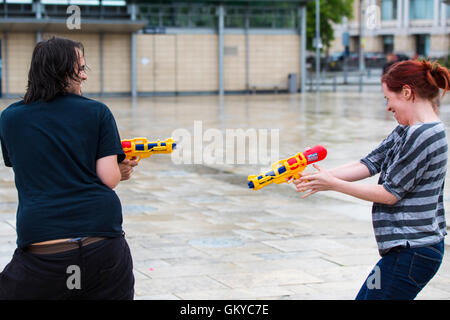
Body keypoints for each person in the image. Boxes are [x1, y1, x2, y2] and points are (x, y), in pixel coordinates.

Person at [294, 59, 450, 300]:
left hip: (413, 250)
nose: (388, 107)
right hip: (405, 250)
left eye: (389, 99)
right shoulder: (408, 128)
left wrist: (333, 184)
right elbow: (369, 163)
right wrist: (318, 177)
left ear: (407, 92)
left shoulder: (425, 135)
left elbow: (390, 194)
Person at [0, 37, 138, 299]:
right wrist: (121, 170)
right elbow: (109, 179)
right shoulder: (98, 112)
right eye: (80, 69)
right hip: (103, 244)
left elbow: (33, 167)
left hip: (43, 248)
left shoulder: (9, 118)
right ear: (60, 71)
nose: (85, 77)